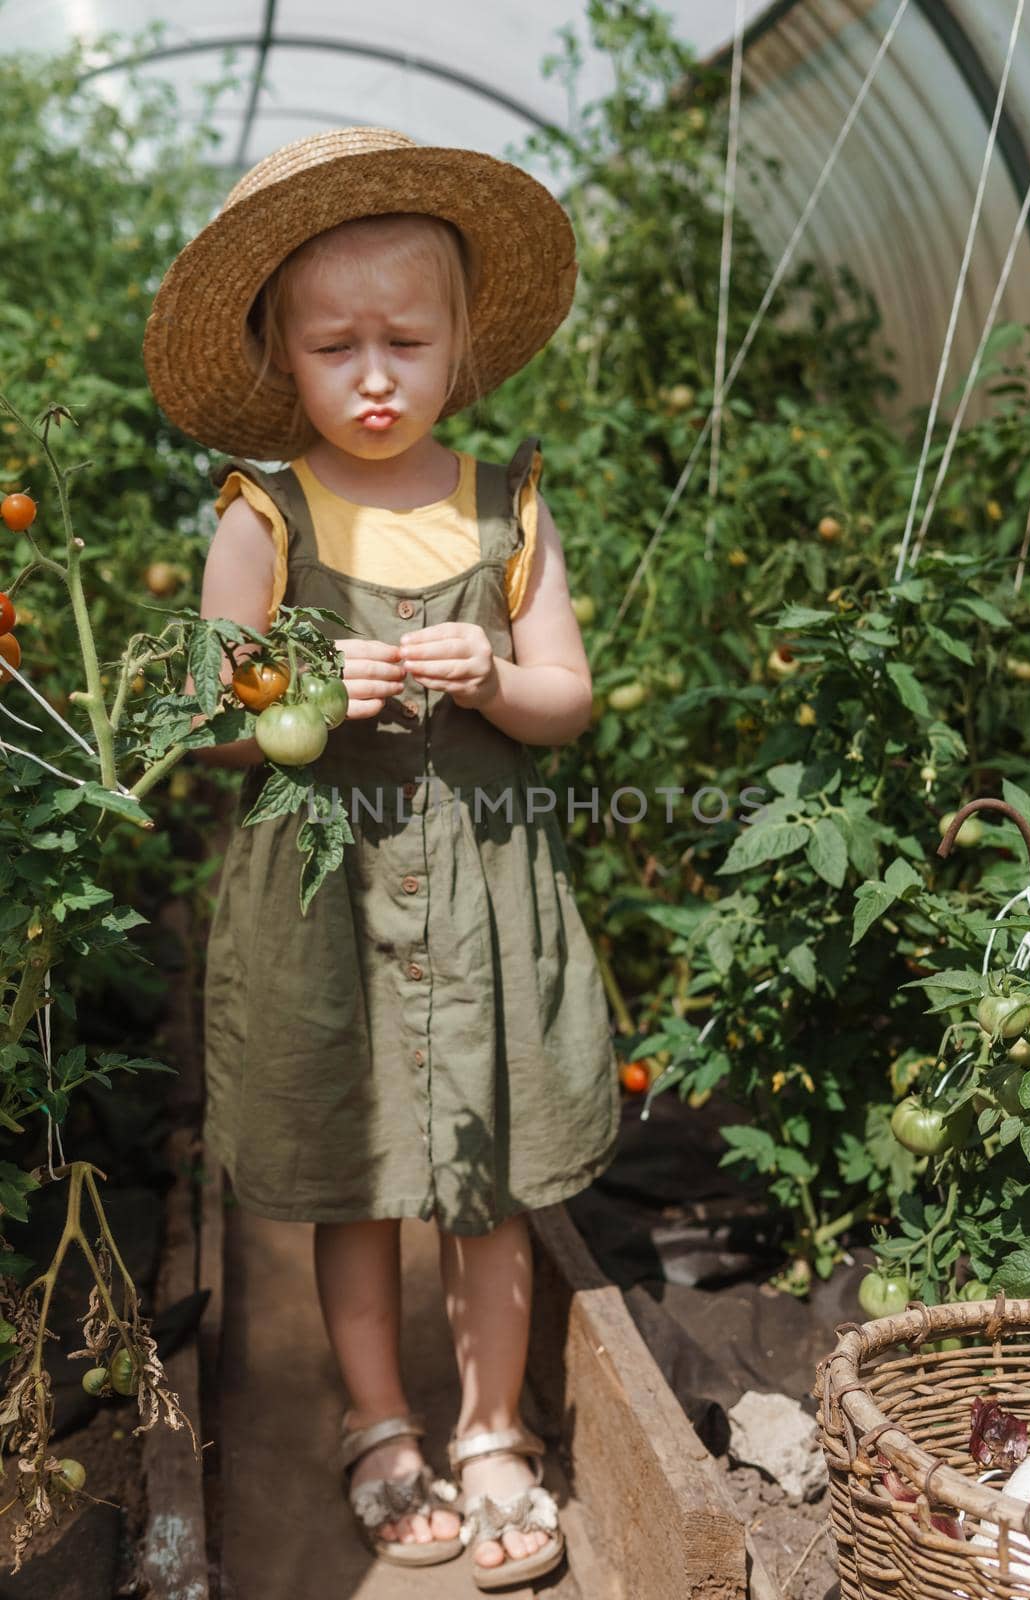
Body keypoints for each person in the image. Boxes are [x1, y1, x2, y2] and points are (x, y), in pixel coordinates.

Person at [144, 126, 621, 1590]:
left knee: (491, 1178)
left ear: (459, 343)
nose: (370, 376)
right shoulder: (260, 515)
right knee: (354, 1176)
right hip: (327, 907)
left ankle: (492, 1432)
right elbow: (197, 718)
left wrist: (492, 671)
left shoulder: (505, 506)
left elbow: (569, 700)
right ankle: (378, 1417)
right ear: (281, 355)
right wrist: (279, 695)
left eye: (403, 340)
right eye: (333, 344)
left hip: (481, 897)